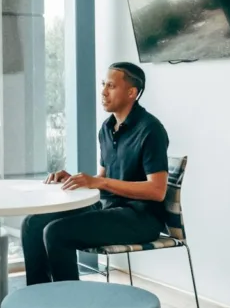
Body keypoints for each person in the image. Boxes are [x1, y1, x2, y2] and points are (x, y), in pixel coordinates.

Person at [21, 61, 169, 284]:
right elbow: (103, 178)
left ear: (131, 93)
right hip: (108, 208)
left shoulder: (150, 130)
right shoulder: (107, 128)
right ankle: (38, 300)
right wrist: (77, 179)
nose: (103, 92)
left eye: (111, 86)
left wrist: (101, 183)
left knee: (57, 233)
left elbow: (157, 191)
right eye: (103, 84)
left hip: (140, 218)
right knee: (32, 224)